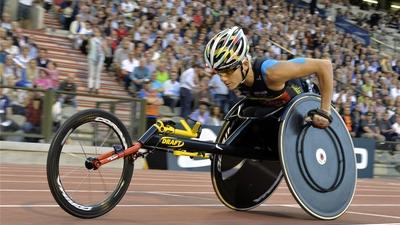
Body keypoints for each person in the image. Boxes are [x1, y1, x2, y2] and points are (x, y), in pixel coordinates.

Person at [204, 26, 333, 129]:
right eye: (219, 73)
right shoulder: (239, 79)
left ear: (244, 64)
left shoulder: (272, 72)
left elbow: (324, 66)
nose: (223, 79)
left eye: (227, 72)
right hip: (280, 112)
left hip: (307, 105)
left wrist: (324, 111)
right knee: (246, 114)